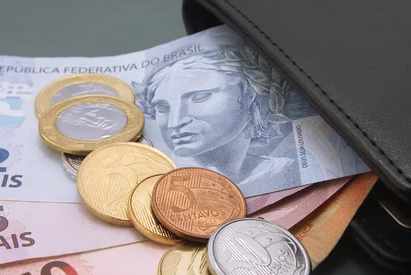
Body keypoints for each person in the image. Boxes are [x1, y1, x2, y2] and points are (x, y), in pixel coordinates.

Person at [133, 38, 316, 195]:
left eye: (200, 97)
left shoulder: (286, 169)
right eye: (162, 107)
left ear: (250, 93)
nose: (175, 122)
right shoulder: (147, 179)